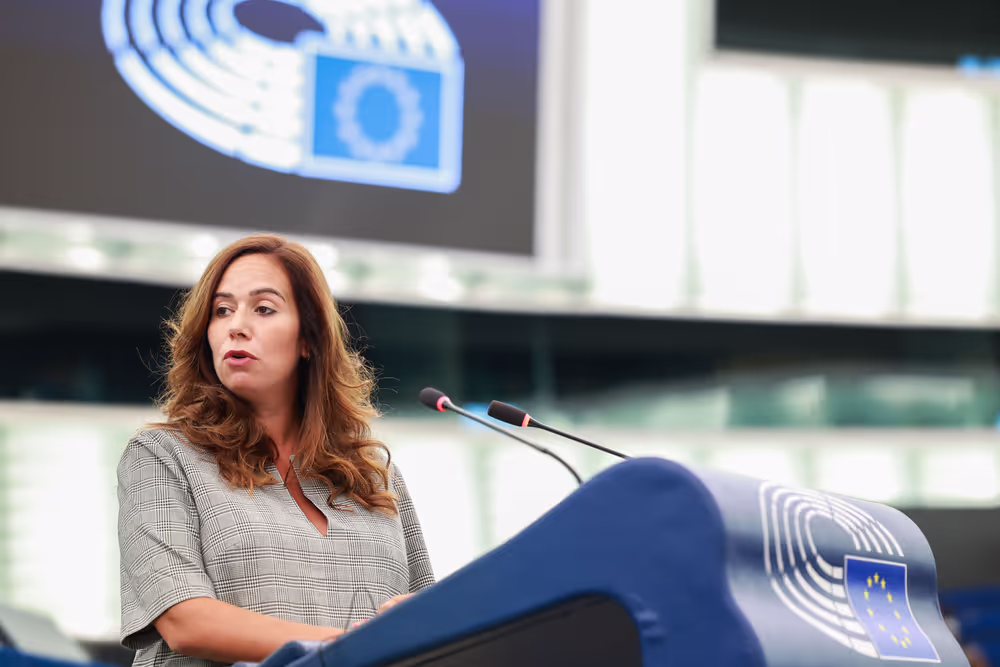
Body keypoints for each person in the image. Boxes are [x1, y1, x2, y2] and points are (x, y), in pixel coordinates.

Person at [118, 234, 435, 667]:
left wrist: (418, 625)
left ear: (309, 339)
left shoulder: (376, 473)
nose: (236, 325)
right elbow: (186, 622)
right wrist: (350, 646)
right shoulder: (162, 455)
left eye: (263, 308)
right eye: (222, 310)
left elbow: (429, 622)